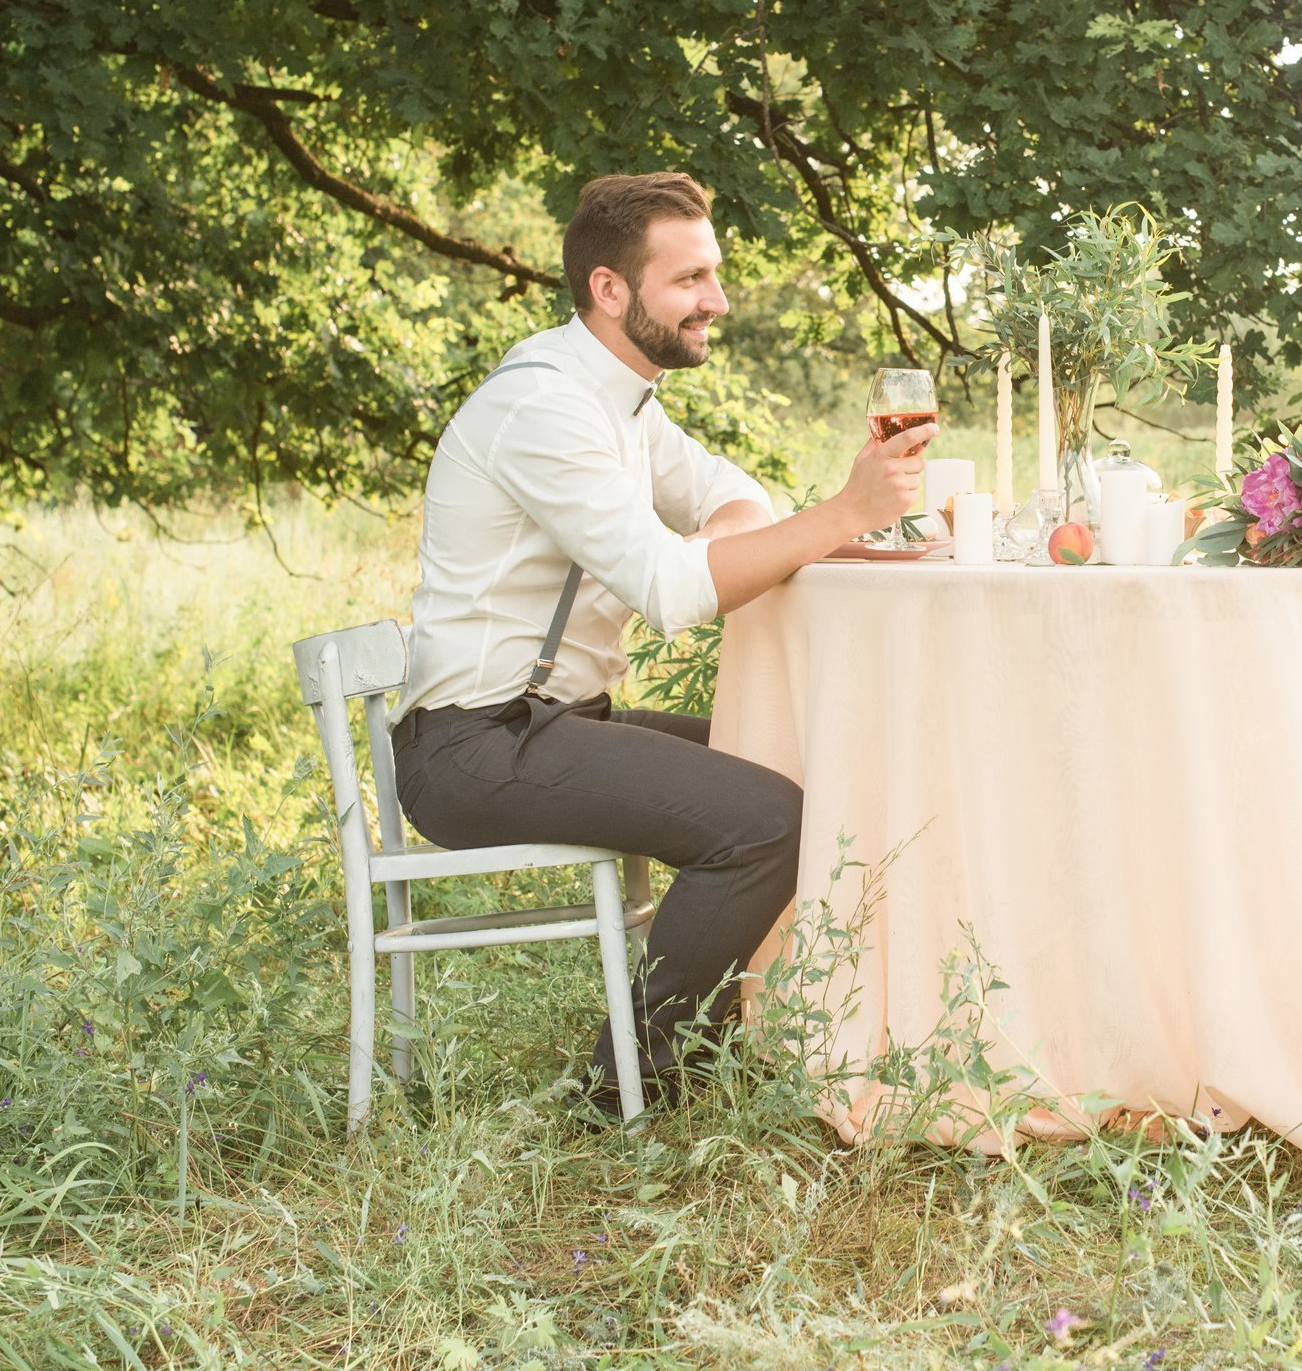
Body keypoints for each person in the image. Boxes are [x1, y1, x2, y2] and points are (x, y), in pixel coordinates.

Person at [388, 172, 931, 1113]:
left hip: (557, 723)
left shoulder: (625, 401)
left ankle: (772, 1038)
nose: (716, 301)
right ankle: (629, 1087)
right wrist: (847, 511)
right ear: (611, 290)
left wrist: (703, 545)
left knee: (787, 757)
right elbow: (676, 594)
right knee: (766, 818)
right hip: (476, 745)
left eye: (712, 276)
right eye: (689, 281)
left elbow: (738, 498)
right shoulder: (547, 407)